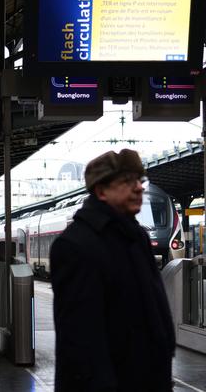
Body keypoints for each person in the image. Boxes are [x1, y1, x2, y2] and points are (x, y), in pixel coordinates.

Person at [50, 149, 175, 392]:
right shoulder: (75, 245)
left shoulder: (135, 236)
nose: (139, 188)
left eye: (140, 180)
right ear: (101, 191)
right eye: (127, 181)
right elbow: (81, 340)